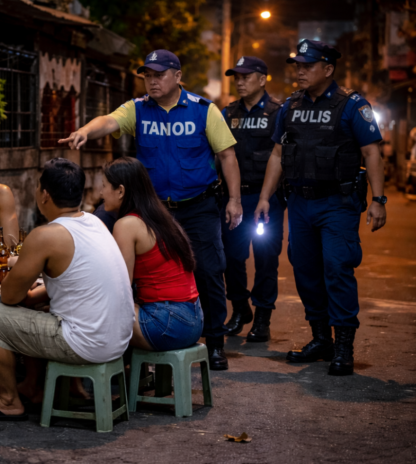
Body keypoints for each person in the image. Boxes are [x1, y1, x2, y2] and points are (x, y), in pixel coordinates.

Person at [59, 49, 243, 370]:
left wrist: (234, 200)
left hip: (198, 206)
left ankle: (214, 343)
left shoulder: (203, 110)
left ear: (177, 76)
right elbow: (110, 121)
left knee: (208, 270)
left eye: (159, 75)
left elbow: (227, 156)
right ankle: (140, 335)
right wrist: (85, 131)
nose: (152, 81)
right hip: (153, 210)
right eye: (147, 76)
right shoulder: (138, 109)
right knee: (132, 266)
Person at [254, 39, 387, 376]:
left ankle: (343, 347)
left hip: (337, 202)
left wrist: (378, 200)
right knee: (305, 270)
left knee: (337, 268)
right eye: (297, 66)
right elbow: (277, 154)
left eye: (307, 66)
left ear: (328, 69)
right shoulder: (290, 106)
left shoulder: (352, 105)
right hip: (300, 202)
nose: (299, 72)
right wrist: (265, 197)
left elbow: (371, 152)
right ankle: (321, 338)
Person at [0, 158, 134, 420]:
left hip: (87, 344)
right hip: (118, 340)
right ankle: (35, 386)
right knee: (38, 309)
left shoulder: (47, 235)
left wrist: (14, 270)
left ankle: (8, 400)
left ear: (44, 194)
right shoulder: (94, 222)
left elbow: (9, 296)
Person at [103, 157, 202, 351]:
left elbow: (121, 286)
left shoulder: (126, 225)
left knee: (95, 314)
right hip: (194, 319)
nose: (101, 192)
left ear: (120, 191)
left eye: (104, 186)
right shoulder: (160, 217)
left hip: (167, 323)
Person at [220, 56, 286, 342]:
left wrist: (268, 196)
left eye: (246, 77)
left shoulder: (278, 112)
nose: (240, 82)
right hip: (234, 198)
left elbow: (282, 156)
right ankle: (239, 308)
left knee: (266, 258)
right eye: (237, 77)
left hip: (266, 199)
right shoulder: (227, 113)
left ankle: (262, 318)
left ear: (262, 79)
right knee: (231, 257)